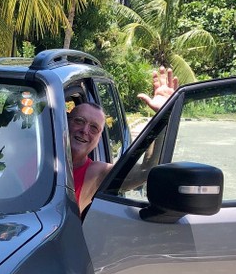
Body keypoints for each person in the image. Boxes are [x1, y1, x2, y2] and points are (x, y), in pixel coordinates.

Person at [70, 66, 178, 212]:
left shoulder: (95, 173)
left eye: (94, 128)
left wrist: (163, 115)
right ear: (65, 123)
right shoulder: (36, 157)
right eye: (79, 121)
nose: (84, 130)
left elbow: (146, 171)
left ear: (98, 140)